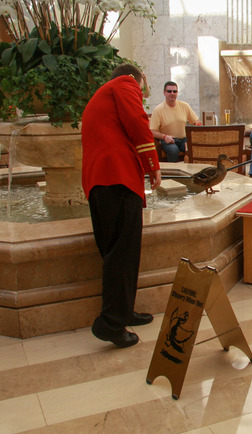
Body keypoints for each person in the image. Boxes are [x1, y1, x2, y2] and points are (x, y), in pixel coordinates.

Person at [81, 63, 161, 348]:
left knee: (116, 253)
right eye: (144, 86)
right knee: (123, 253)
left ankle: (123, 312)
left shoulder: (103, 93)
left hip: (100, 183)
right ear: (137, 78)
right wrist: (153, 165)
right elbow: (138, 123)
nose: (142, 91)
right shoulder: (126, 84)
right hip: (117, 179)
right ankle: (111, 323)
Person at [149, 81, 201, 162]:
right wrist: (165, 137)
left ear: (177, 93)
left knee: (194, 149)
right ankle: (172, 173)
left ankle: (193, 172)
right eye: (169, 91)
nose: (172, 93)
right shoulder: (158, 110)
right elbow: (152, 131)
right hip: (167, 140)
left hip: (184, 139)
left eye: (175, 91)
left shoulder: (185, 106)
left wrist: (197, 123)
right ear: (164, 93)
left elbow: (196, 121)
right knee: (173, 151)